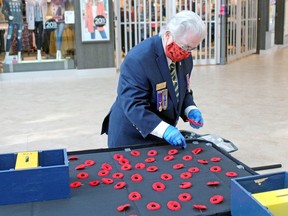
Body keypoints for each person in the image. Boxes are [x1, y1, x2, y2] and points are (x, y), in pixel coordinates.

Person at [101, 10, 206, 149]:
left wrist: (190, 109)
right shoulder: (139, 59)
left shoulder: (185, 57)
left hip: (160, 135)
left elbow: (182, 90)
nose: (187, 53)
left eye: (192, 49)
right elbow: (133, 105)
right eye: (185, 47)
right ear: (168, 35)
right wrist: (165, 130)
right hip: (132, 136)